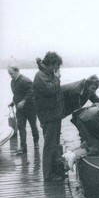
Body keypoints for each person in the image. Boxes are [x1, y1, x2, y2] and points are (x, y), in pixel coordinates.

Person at [33, 52, 64, 181]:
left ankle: (54, 171)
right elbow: (50, 90)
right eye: (56, 66)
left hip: (54, 115)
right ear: (50, 64)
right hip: (49, 116)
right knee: (50, 146)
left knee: (54, 144)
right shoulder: (40, 76)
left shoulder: (47, 74)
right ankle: (48, 175)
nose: (58, 69)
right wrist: (57, 78)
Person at [8, 66, 39, 154]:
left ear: (17, 71)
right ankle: (23, 147)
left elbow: (32, 92)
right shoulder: (12, 82)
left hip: (31, 108)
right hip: (20, 109)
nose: (10, 75)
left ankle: (36, 142)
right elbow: (16, 94)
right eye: (9, 74)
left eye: (11, 73)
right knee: (21, 127)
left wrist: (23, 101)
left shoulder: (26, 80)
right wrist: (13, 102)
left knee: (33, 126)